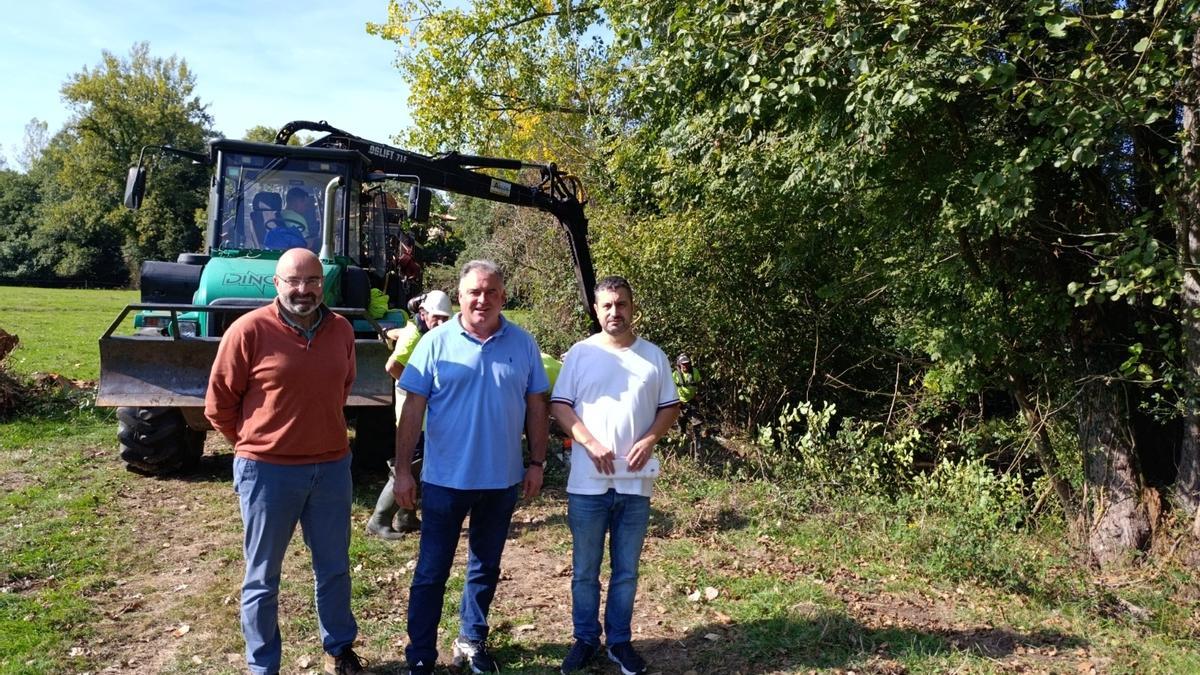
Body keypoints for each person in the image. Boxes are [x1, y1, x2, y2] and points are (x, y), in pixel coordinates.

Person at [204, 248, 365, 675]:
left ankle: (341, 648)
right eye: (293, 281)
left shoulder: (342, 330)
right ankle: (263, 665)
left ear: (323, 284)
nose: (303, 290)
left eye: (312, 281)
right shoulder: (248, 331)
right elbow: (218, 405)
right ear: (276, 284)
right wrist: (257, 447)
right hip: (267, 473)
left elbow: (342, 386)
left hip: (331, 469)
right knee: (262, 577)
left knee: (333, 567)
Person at [393, 260, 549, 675]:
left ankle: (472, 639)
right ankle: (421, 655)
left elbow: (537, 407)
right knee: (431, 571)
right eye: (474, 292)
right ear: (460, 296)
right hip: (445, 480)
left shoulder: (523, 344)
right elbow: (411, 411)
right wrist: (404, 471)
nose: (482, 299)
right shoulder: (435, 343)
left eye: (491, 292)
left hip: (501, 482)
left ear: (503, 296)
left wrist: (537, 461)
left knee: (485, 566)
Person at [550, 276, 680, 675]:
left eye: (621, 304)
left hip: (635, 483)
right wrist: (589, 442)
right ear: (596, 309)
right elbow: (560, 405)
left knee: (626, 571)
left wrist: (651, 439)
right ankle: (585, 639)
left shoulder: (653, 356)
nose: (614, 312)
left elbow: (670, 407)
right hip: (589, 482)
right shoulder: (580, 354)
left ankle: (619, 643)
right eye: (606, 305)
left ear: (632, 307)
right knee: (586, 570)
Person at [365, 290, 453, 540]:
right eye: (437, 317)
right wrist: (419, 387)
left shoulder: (429, 333)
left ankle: (406, 517)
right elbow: (392, 366)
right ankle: (379, 520)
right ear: (423, 314)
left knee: (421, 463)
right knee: (410, 466)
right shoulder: (414, 335)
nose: (442, 323)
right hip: (411, 412)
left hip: (426, 413)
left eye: (446, 318)